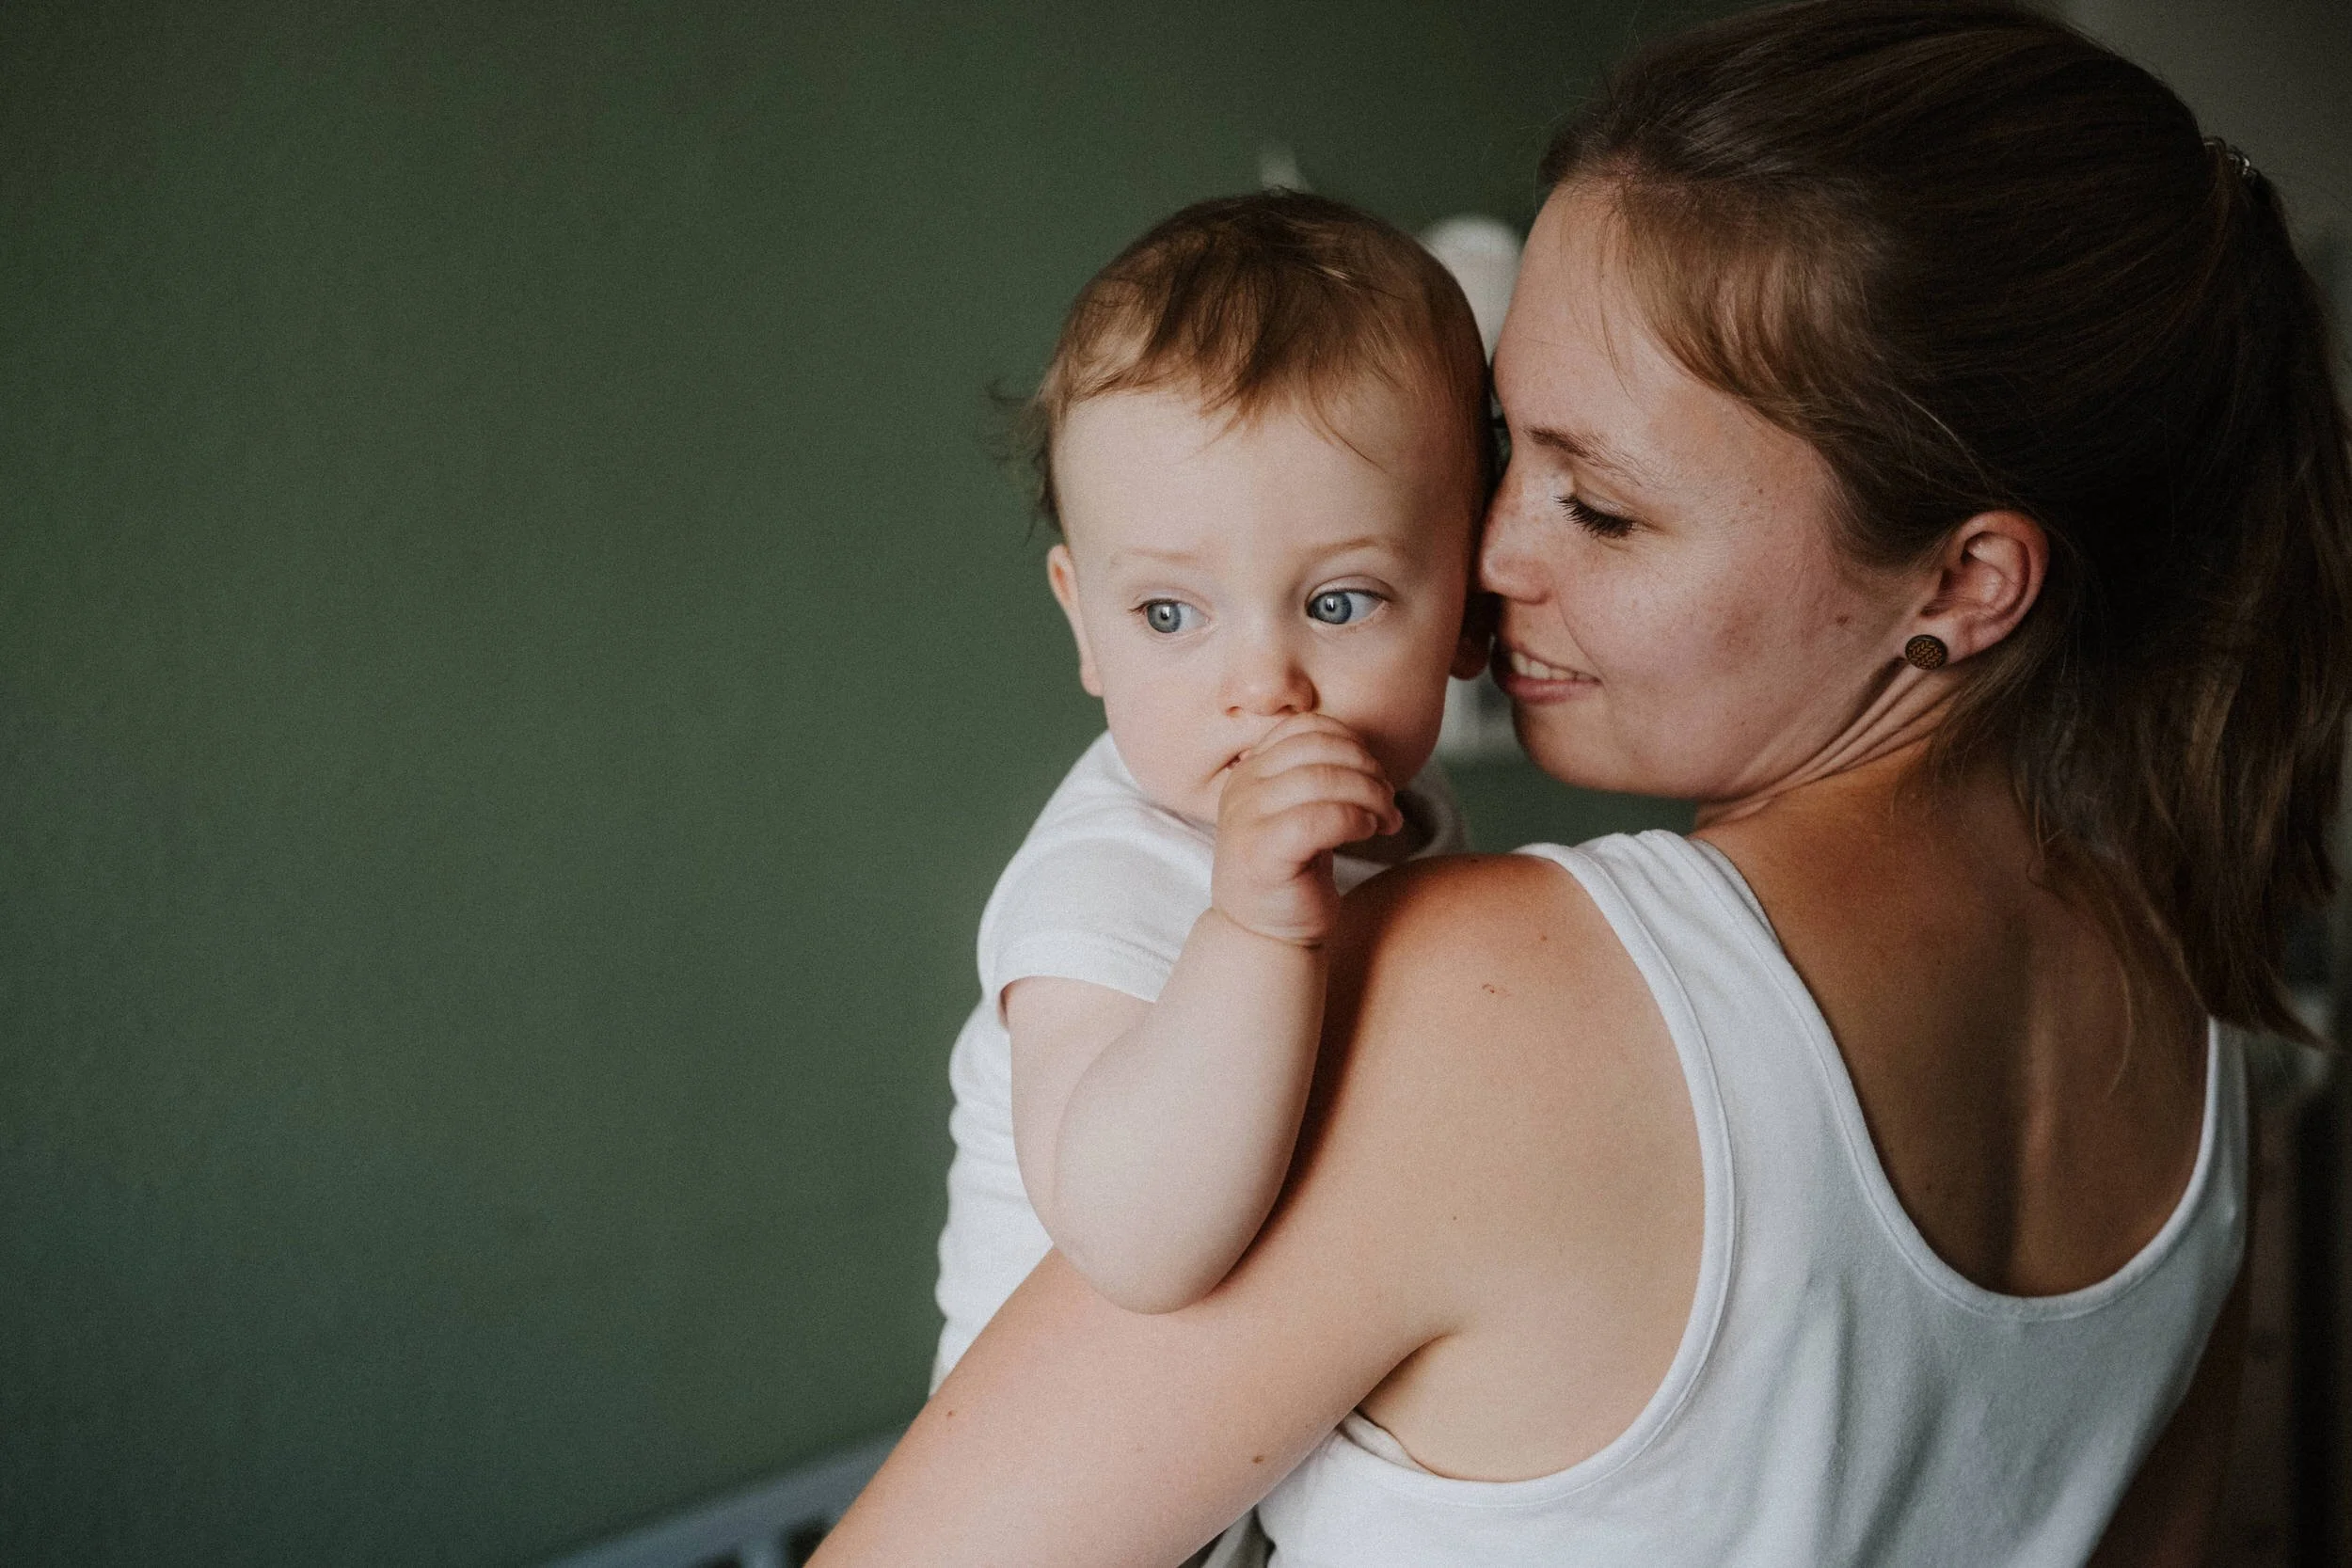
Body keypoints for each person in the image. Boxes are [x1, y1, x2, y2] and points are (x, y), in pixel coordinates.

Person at [819, 2, 2352, 1563]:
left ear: (1961, 582)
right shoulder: (2188, 1036)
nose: (1484, 557)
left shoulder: (1485, 997)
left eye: (1602, 507)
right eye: (1503, 448)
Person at [930, 191, 1493, 1392]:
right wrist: (1252, 930)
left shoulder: (1403, 799)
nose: (1261, 684)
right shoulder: (1103, 885)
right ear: (1084, 622)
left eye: (1338, 601)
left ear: (1466, 602)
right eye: (1168, 613)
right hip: (1072, 1460)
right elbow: (1134, 1245)